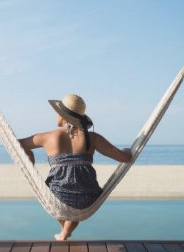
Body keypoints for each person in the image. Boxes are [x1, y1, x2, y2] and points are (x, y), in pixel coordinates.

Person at [19, 93, 132, 241]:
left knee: (60, 206)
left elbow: (17, 145)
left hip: (58, 196)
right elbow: (125, 158)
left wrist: (30, 164)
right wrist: (127, 151)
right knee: (76, 204)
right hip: (87, 199)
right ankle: (64, 233)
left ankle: (64, 233)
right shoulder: (93, 138)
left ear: (62, 115)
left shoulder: (48, 137)